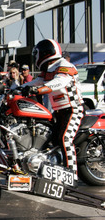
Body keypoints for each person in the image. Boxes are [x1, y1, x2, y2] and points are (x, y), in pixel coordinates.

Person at [21, 39, 84, 181]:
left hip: (73, 109)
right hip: (59, 111)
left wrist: (38, 90)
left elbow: (58, 82)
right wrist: (16, 89)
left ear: (44, 53)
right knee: (52, 139)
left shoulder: (64, 65)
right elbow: (36, 81)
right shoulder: (48, 70)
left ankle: (72, 175)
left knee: (65, 139)